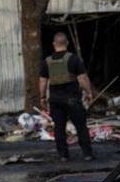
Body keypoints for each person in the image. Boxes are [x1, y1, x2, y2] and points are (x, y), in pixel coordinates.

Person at [39, 30, 96, 161]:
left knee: (59, 127)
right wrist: (88, 92)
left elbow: (42, 81)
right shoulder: (73, 59)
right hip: (72, 99)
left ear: (54, 44)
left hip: (55, 100)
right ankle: (87, 154)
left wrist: (42, 97)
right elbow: (82, 78)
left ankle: (63, 155)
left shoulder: (47, 62)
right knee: (81, 126)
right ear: (67, 43)